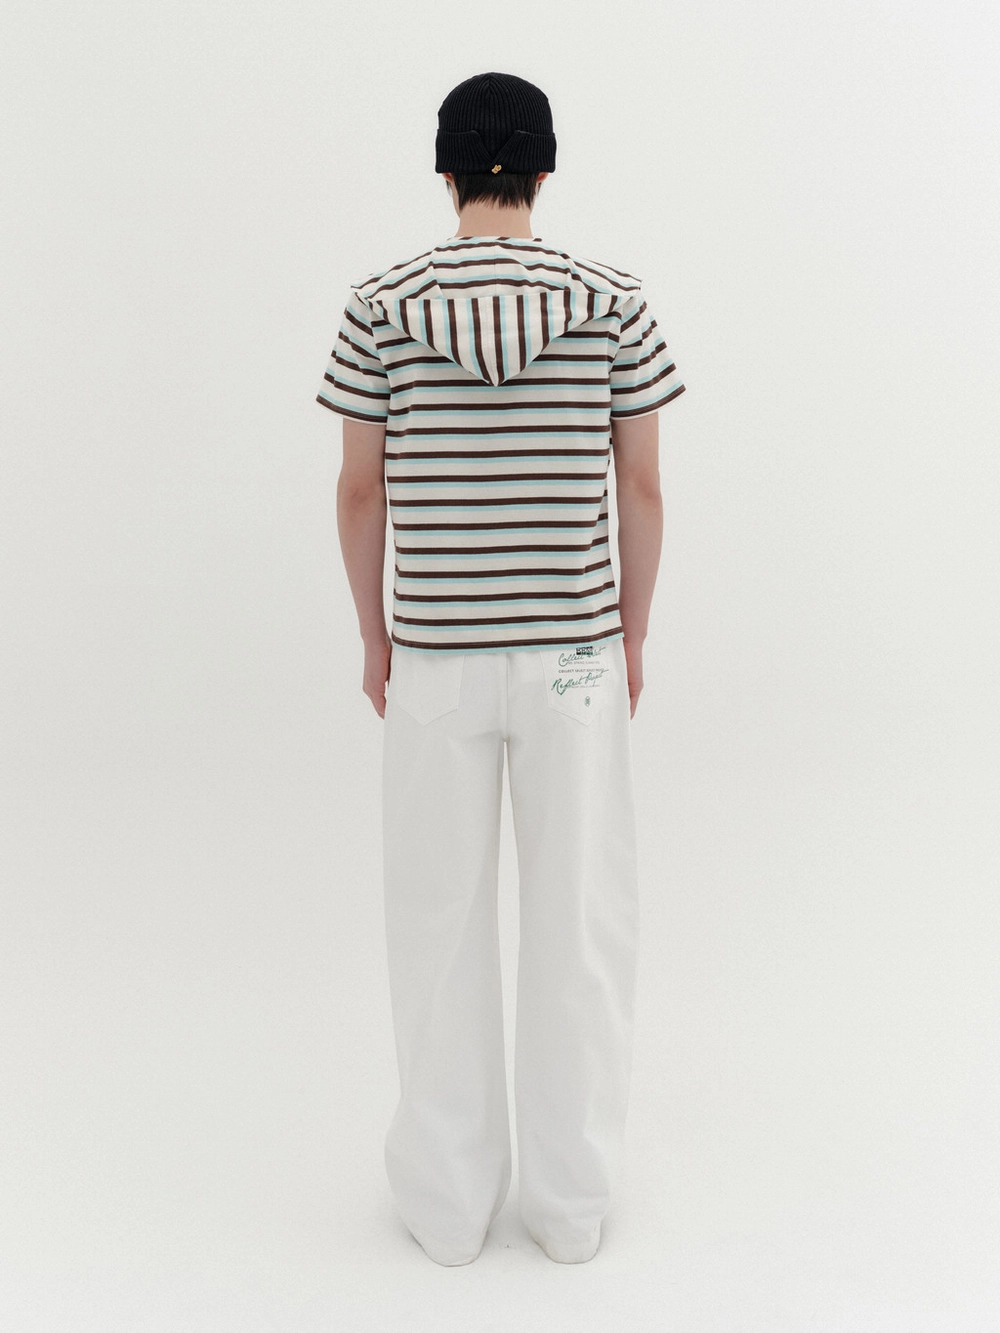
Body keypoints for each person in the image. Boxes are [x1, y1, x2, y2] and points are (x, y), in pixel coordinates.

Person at [316, 71, 686, 1267]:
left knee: (437, 923)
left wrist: (375, 632)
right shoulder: (612, 301)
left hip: (435, 656)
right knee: (579, 923)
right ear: (544, 169)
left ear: (444, 171)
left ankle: (444, 1206)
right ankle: (570, 1207)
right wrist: (631, 630)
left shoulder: (379, 307)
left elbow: (359, 488)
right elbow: (641, 484)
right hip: (575, 654)